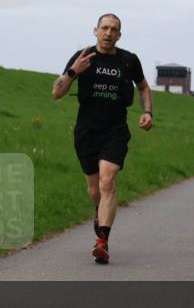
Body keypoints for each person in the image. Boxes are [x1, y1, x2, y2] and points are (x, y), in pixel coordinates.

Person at [52, 13, 153, 265]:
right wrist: (75, 71)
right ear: (95, 30)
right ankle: (100, 214)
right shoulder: (82, 57)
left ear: (119, 35)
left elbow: (143, 87)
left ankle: (102, 242)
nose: (108, 33)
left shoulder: (129, 61)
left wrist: (148, 112)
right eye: (104, 28)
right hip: (86, 132)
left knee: (108, 181)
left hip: (115, 130)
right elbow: (56, 92)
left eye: (114, 29)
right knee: (95, 189)